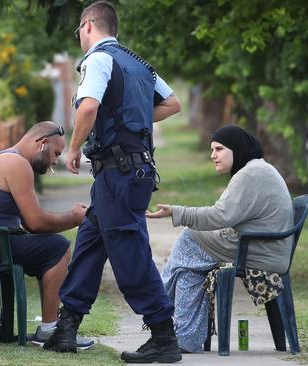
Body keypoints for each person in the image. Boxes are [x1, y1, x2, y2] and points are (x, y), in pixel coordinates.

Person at [43, 2, 182, 363]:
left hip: (118, 173)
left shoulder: (99, 59)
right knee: (90, 242)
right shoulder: (139, 64)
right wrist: (130, 117)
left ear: (87, 25)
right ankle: (67, 328)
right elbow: (172, 103)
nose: (79, 38)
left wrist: (73, 149)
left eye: (78, 31)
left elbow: (88, 107)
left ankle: (164, 335)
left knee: (129, 251)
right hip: (128, 172)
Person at [146, 125, 294, 353]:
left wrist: (177, 212)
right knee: (189, 269)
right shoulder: (255, 170)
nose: (213, 155)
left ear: (237, 149)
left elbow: (220, 216)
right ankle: (181, 334)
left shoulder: (251, 174)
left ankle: (161, 314)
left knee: (189, 239)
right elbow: (226, 216)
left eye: (219, 149)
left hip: (259, 250)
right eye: (212, 149)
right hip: (257, 245)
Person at [0, 121, 94, 349]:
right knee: (57, 248)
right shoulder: (16, 164)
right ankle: (50, 331)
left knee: (48, 248)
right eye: (55, 153)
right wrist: (74, 217)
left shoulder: (9, 158)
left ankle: (50, 328)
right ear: (42, 143)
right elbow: (35, 223)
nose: (54, 161)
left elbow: (29, 223)